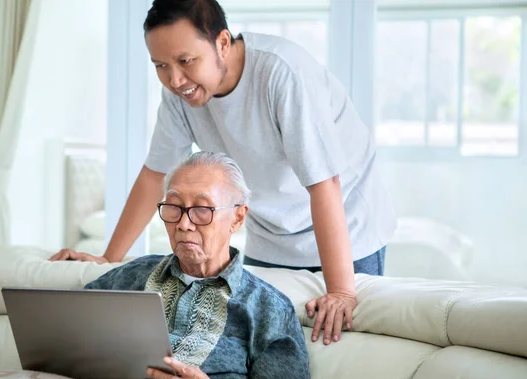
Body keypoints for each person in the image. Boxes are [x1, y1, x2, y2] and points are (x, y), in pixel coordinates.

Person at [51, 0, 397, 346]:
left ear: (222, 43)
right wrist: (108, 260)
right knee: (265, 343)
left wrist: (339, 291)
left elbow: (325, 183)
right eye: (160, 65)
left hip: (347, 229)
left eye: (186, 61)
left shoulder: (282, 73)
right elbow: (154, 175)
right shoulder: (180, 94)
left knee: (339, 343)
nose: (174, 79)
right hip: (271, 234)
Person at [83, 152, 313, 379]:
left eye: (202, 209)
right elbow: (69, 324)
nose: (183, 224)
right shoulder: (135, 274)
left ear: (237, 218)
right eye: (174, 207)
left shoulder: (269, 310)